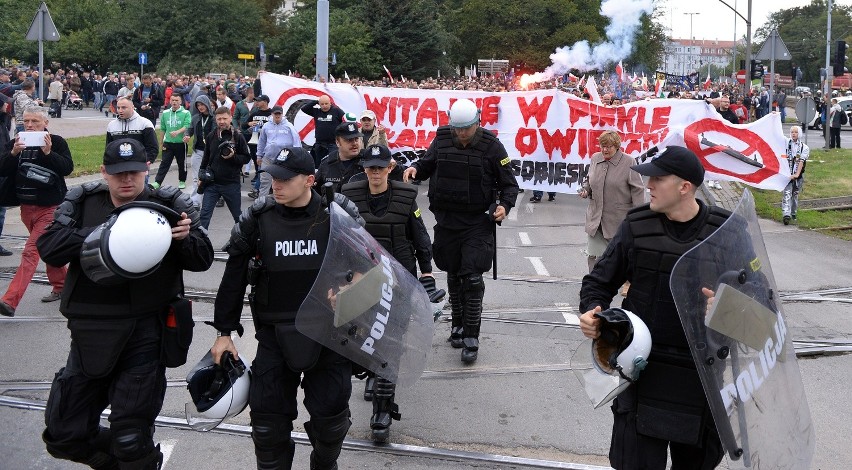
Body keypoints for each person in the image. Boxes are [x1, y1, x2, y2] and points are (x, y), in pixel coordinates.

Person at [37, 138, 213, 469]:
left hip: (145, 332)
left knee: (131, 440)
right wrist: (111, 235)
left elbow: (204, 258)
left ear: (147, 169)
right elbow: (49, 246)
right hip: (91, 332)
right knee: (63, 436)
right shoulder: (82, 201)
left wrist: (184, 238)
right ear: (105, 172)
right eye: (118, 173)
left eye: (134, 172)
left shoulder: (170, 205)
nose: (126, 180)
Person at [209, 146, 362, 469]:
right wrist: (224, 333)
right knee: (266, 426)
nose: (275, 185)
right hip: (275, 337)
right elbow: (233, 276)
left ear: (309, 180)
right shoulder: (258, 219)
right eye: (272, 178)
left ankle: (324, 464)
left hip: (328, 336)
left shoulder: (337, 214)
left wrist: (352, 290)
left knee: (330, 423)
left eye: (284, 179)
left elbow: (372, 268)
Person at [579, 146, 730, 470]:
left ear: (684, 187)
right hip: (640, 372)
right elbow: (598, 281)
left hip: (699, 379)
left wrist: (729, 307)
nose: (648, 186)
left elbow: (759, 296)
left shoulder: (724, 232)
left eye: (657, 180)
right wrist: (592, 310)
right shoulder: (637, 225)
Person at [403, 98, 519, 363]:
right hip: (447, 221)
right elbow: (428, 163)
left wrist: (504, 205)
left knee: (472, 278)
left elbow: (509, 184)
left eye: (466, 128)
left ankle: (471, 336)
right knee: (453, 274)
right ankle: (456, 325)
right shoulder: (442, 137)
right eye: (457, 128)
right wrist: (415, 168)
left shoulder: (491, 145)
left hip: (478, 222)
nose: (462, 133)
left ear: (477, 122)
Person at [341, 144, 436, 442]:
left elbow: (419, 234)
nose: (375, 172)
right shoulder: (349, 195)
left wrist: (427, 271)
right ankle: (370, 374)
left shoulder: (407, 196)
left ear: (390, 168)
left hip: (399, 279)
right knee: (365, 336)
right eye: (370, 167)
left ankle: (382, 411)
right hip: (363, 278)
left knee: (390, 342)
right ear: (364, 169)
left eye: (380, 167)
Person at [0, 107, 73, 317]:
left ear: (45, 123)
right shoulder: (17, 142)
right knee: (47, 247)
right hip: (25, 208)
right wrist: (13, 153)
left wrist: (49, 153)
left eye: (34, 121)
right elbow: (2, 169)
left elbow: (67, 168)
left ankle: (9, 300)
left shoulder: (56, 142)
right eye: (26, 121)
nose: (30, 125)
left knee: (31, 252)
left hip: (50, 209)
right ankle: (63, 286)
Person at [579, 130, 645, 273]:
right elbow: (589, 180)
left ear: (617, 146)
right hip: (596, 218)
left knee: (619, 257)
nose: (604, 149)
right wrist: (586, 190)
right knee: (594, 254)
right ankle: (593, 286)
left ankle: (627, 281)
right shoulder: (595, 158)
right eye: (602, 146)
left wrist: (639, 217)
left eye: (608, 146)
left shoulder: (628, 162)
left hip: (618, 220)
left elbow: (638, 189)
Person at [198, 106, 251, 230]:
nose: (221, 121)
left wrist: (233, 157)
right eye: (219, 119)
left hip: (231, 184)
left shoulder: (238, 136)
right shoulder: (211, 136)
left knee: (238, 216)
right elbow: (205, 157)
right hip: (212, 183)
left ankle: (244, 240)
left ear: (230, 118)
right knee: (204, 215)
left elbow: (246, 158)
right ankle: (199, 243)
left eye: (224, 118)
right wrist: (201, 175)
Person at [257, 105, 301, 198]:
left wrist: (297, 157)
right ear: (272, 114)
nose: (277, 116)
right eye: (275, 114)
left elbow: (296, 141)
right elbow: (262, 141)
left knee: (281, 182)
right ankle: (261, 202)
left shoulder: (289, 126)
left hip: (283, 159)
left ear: (282, 114)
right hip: (268, 158)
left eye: (279, 114)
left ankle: (280, 203)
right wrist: (259, 156)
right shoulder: (266, 126)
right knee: (265, 181)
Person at [153, 94, 192, 190]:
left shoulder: (186, 113)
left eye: (176, 100)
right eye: (172, 100)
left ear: (180, 102)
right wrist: (161, 142)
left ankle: (182, 181)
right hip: (168, 143)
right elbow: (162, 128)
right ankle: (157, 182)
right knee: (164, 163)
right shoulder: (166, 113)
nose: (174, 102)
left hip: (181, 143)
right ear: (170, 101)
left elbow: (187, 126)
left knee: (181, 163)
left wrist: (178, 132)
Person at [184, 93, 216, 206]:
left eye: (202, 104)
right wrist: (187, 135)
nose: (200, 107)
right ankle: (195, 202)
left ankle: (214, 198)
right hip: (198, 151)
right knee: (196, 177)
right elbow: (190, 129)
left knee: (211, 177)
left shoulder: (214, 118)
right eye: (198, 105)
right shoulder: (196, 118)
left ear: (207, 104)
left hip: (211, 153)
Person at [314, 122, 365, 192]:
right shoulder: (326, 164)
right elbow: (315, 190)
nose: (354, 143)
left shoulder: (368, 161)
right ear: (338, 142)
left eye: (356, 139)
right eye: (349, 140)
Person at [300, 95, 346, 168]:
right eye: (322, 104)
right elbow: (304, 108)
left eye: (326, 103)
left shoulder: (336, 111)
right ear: (319, 104)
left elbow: (345, 120)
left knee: (333, 164)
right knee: (320, 165)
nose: (324, 106)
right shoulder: (317, 112)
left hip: (333, 144)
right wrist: (315, 102)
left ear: (330, 103)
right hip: (320, 144)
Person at [782, 126, 810, 225]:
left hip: (798, 175)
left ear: (799, 134)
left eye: (796, 132)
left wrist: (797, 174)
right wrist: (774, 117)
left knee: (794, 195)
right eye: (792, 132)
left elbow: (801, 161)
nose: (793, 134)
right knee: (787, 194)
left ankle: (793, 213)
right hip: (788, 175)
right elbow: (777, 135)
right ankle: (786, 214)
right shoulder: (786, 143)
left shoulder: (804, 147)